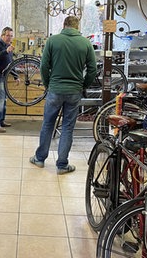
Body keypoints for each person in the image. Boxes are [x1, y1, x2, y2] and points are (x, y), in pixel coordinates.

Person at [29, 16, 97, 174]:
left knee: (47, 124)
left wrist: (47, 84)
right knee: (67, 128)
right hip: (74, 91)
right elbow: (92, 70)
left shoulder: (53, 41)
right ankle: (62, 165)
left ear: (64, 25)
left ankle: (39, 159)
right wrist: (83, 85)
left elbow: (44, 66)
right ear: (77, 26)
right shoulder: (86, 43)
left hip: (55, 89)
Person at [0, 27, 18, 133]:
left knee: (3, 100)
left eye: (11, 36)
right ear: (2, 36)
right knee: (0, 100)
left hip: (3, 77)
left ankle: (0, 121)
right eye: (7, 35)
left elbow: (10, 62)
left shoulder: (8, 47)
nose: (9, 37)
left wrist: (16, 76)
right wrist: (6, 51)